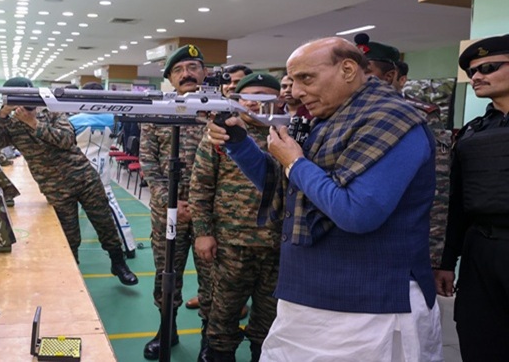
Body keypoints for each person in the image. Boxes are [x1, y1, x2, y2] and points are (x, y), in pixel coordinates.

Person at [206, 37, 443, 361]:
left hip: (370, 307)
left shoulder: (396, 121)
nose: (295, 91)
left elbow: (357, 213)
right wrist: (239, 142)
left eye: (306, 78)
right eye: (293, 81)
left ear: (347, 69)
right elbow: (288, 189)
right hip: (309, 296)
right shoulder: (331, 120)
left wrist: (294, 162)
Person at [0, 77, 138, 286]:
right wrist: (2, 114)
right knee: (69, 236)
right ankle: (74, 276)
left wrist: (33, 123)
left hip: (83, 177)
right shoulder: (9, 124)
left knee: (104, 222)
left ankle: (118, 263)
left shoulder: (51, 111)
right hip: (55, 187)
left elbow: (66, 139)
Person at [191, 73, 282, 362]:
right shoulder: (221, 134)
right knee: (223, 316)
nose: (257, 105)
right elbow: (201, 186)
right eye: (251, 98)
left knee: (270, 321)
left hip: (278, 246)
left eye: (266, 97)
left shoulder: (288, 135)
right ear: (239, 100)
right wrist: (203, 232)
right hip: (233, 243)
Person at [436, 34, 509, 361]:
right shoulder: (473, 132)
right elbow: (457, 203)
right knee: (480, 338)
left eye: (489, 67)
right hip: (480, 250)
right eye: (472, 71)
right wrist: (447, 262)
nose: (477, 77)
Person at [140, 44, 213, 360]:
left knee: (213, 277)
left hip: (210, 212)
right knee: (166, 272)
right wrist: (167, 200)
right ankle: (166, 330)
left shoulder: (218, 111)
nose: (187, 74)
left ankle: (211, 340)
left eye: (193, 67)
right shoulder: (157, 112)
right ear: (170, 78)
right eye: (179, 70)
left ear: (204, 73)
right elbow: (148, 160)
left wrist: (199, 207)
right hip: (167, 212)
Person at [356, 33, 452, 269]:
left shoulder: (419, 115)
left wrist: (433, 259)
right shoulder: (334, 113)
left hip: (399, 239)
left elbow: (436, 188)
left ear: (389, 76)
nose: (354, 78)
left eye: (366, 72)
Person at [185, 62, 252, 312]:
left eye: (240, 84)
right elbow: (201, 183)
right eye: (230, 82)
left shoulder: (270, 128)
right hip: (206, 215)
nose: (233, 86)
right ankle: (207, 303)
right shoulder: (206, 116)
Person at [69, 81, 137, 258]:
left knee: (69, 211)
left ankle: (66, 249)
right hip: (103, 168)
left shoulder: (73, 121)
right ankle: (129, 246)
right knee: (113, 207)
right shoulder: (114, 119)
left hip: (78, 170)